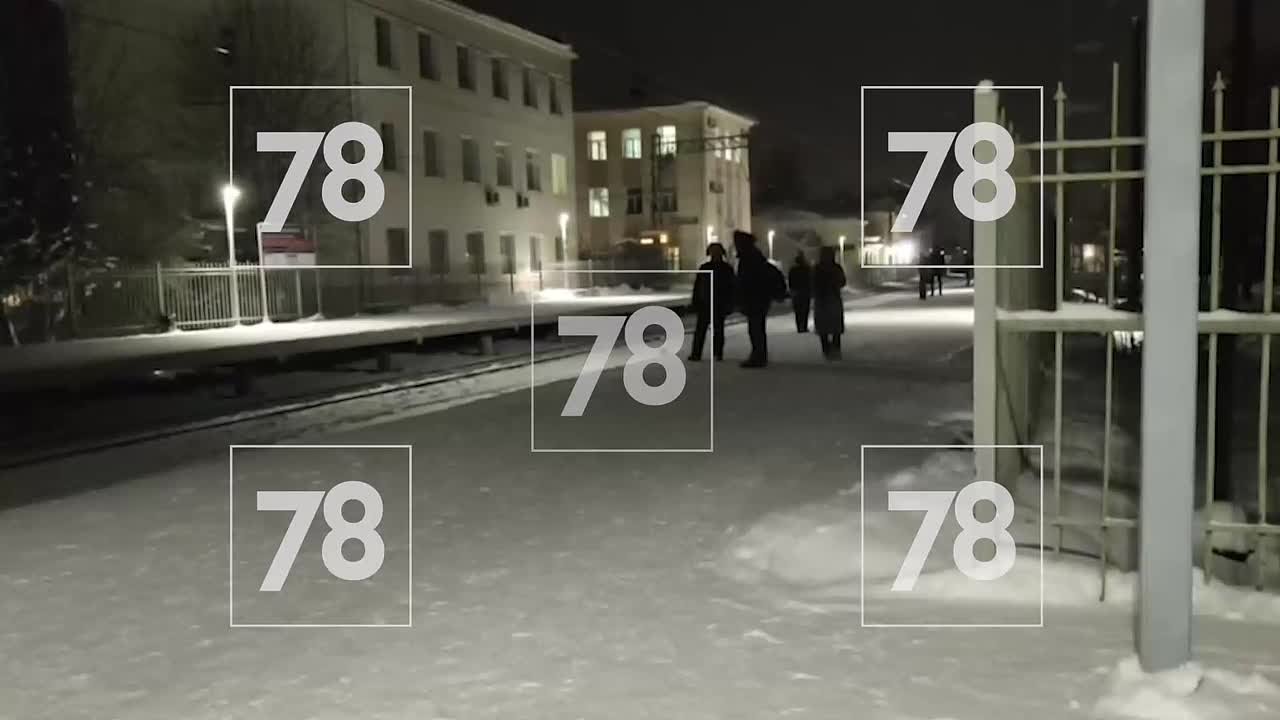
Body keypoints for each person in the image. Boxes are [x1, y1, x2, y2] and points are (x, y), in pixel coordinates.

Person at [733, 230, 786, 368]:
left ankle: (758, 356)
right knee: (757, 328)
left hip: (755, 298)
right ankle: (759, 355)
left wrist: (741, 296)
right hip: (758, 298)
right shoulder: (753, 256)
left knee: (755, 328)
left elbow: (747, 280)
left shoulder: (749, 258)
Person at [688, 242, 735, 361]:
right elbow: (732, 288)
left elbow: (698, 286)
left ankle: (697, 353)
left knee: (702, 330)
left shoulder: (705, 268)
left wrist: (695, 301)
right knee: (717, 330)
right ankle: (716, 353)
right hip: (716, 303)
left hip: (708, 302)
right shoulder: (726, 269)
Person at [812, 245, 847, 360]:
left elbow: (812, 282)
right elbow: (843, 282)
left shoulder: (817, 268)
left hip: (822, 300)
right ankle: (835, 349)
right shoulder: (836, 268)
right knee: (835, 326)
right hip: (833, 298)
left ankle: (826, 349)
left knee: (823, 327)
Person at [787, 251, 812, 333]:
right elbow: (810, 280)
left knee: (798, 311)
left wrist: (791, 289)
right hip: (805, 291)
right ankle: (804, 326)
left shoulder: (793, 270)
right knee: (805, 310)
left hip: (796, 292)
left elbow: (790, 281)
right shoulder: (807, 269)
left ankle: (799, 326)